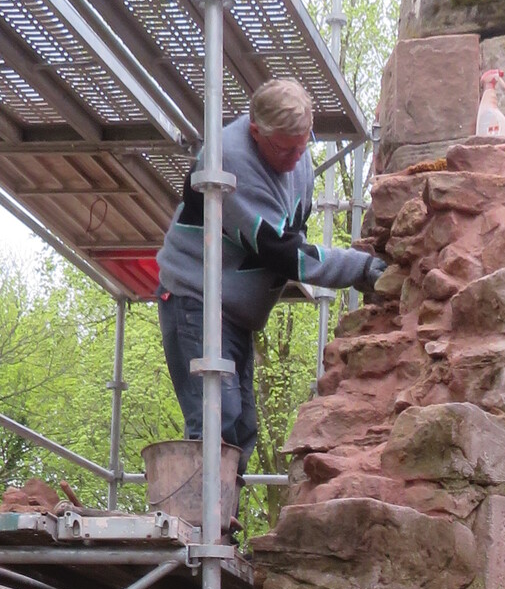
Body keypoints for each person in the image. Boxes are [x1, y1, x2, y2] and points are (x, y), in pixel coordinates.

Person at [155, 77, 384, 459]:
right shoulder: (227, 165)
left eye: (303, 146)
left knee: (241, 428)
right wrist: (361, 268)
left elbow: (295, 228)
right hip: (196, 300)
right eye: (284, 149)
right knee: (216, 421)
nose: (295, 158)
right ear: (255, 132)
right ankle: (200, 500)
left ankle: (224, 500)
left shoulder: (294, 153)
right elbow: (285, 253)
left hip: (234, 313)